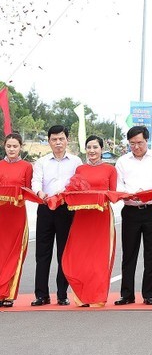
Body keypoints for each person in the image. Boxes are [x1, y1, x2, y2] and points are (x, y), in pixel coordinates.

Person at [114, 126, 152, 306]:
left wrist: (142, 193)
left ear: (147, 141)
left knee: (151, 254)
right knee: (129, 254)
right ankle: (127, 294)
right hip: (130, 211)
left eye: (140, 143)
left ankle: (149, 294)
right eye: (132, 143)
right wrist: (131, 193)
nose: (136, 147)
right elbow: (118, 185)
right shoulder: (122, 161)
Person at [62, 135, 117, 307]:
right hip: (82, 216)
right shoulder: (80, 169)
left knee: (99, 257)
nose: (92, 151)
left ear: (101, 149)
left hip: (102, 216)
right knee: (81, 255)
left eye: (95, 147)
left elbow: (113, 194)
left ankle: (97, 296)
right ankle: (81, 295)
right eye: (89, 147)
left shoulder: (110, 170)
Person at [31, 125, 81, 306]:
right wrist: (40, 193)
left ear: (67, 140)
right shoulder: (42, 162)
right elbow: (35, 181)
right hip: (45, 208)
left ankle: (62, 294)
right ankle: (41, 295)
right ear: (49, 141)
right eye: (54, 139)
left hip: (66, 210)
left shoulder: (76, 162)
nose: (58, 142)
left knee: (64, 252)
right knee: (42, 253)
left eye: (61, 139)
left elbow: (79, 183)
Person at [0, 133, 33, 307]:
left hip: (18, 214)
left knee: (15, 253)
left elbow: (28, 190)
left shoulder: (27, 166)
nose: (11, 149)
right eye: (9, 146)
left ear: (20, 147)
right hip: (1, 215)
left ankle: (9, 294)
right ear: (4, 146)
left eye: (15, 146)